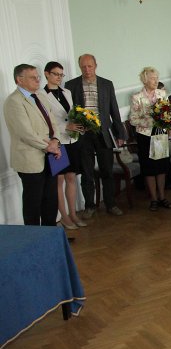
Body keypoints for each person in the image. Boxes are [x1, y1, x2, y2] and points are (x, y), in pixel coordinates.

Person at [64, 53, 127, 217]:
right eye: (83, 67)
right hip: (83, 134)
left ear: (95, 65)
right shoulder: (71, 85)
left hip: (103, 133)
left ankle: (110, 204)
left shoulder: (106, 84)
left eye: (89, 66)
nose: (87, 70)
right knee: (87, 172)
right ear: (80, 67)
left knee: (107, 170)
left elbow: (114, 109)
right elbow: (68, 111)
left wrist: (120, 133)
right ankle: (90, 206)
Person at [4, 64, 62, 225]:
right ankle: (35, 241)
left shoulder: (40, 96)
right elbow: (25, 132)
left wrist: (56, 141)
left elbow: (53, 122)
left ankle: (51, 237)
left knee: (51, 201)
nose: (38, 80)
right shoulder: (14, 102)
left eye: (38, 76)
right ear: (19, 80)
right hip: (30, 159)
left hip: (51, 155)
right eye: (32, 77)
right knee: (33, 205)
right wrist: (50, 146)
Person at [41, 61, 86, 229]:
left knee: (71, 177)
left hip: (72, 140)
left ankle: (73, 213)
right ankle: (64, 216)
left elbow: (71, 114)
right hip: (57, 142)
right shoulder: (41, 95)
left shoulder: (66, 92)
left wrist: (81, 123)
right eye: (55, 74)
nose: (59, 77)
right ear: (46, 74)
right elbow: (45, 122)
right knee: (59, 181)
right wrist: (65, 127)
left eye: (61, 74)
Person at [129, 67, 171, 211]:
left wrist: (168, 123)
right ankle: (153, 199)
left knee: (161, 167)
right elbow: (133, 120)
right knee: (149, 168)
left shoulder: (162, 93)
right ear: (145, 79)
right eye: (153, 78)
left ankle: (162, 197)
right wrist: (151, 120)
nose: (156, 81)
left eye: (157, 77)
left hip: (160, 134)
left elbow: (169, 112)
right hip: (145, 136)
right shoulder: (137, 97)